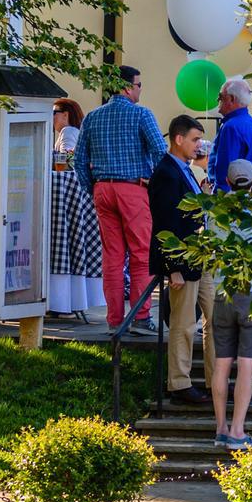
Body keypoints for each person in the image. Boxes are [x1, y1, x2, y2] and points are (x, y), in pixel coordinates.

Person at [73, 65, 165, 331]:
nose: (140, 90)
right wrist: (156, 186)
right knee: (140, 254)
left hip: (103, 189)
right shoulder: (141, 114)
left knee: (112, 257)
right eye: (139, 85)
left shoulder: (92, 117)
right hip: (134, 189)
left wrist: (92, 188)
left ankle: (114, 319)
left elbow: (79, 160)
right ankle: (140, 316)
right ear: (127, 87)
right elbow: (160, 152)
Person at [150, 114, 215, 406]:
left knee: (217, 319)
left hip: (200, 258)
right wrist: (173, 267)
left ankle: (216, 380)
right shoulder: (166, 172)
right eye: (194, 139)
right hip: (183, 261)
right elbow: (165, 223)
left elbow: (186, 212)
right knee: (183, 323)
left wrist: (201, 198)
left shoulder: (185, 170)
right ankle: (179, 383)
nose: (198, 145)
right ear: (179, 139)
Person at [207, 158, 252, 449]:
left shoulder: (215, 211)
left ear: (229, 181)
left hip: (222, 292)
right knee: (247, 365)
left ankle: (220, 428)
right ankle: (237, 430)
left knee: (222, 364)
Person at [48, 98, 102, 323]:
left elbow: (67, 161)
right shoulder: (73, 131)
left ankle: (61, 301)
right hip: (81, 196)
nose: (52, 117)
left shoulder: (68, 131)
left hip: (68, 196)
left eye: (54, 112)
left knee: (63, 242)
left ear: (65, 114)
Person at [209, 76, 252, 192]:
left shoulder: (231, 127)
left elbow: (225, 169)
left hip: (233, 196)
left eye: (220, 97)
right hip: (251, 191)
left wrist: (220, 198)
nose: (217, 100)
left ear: (231, 99)